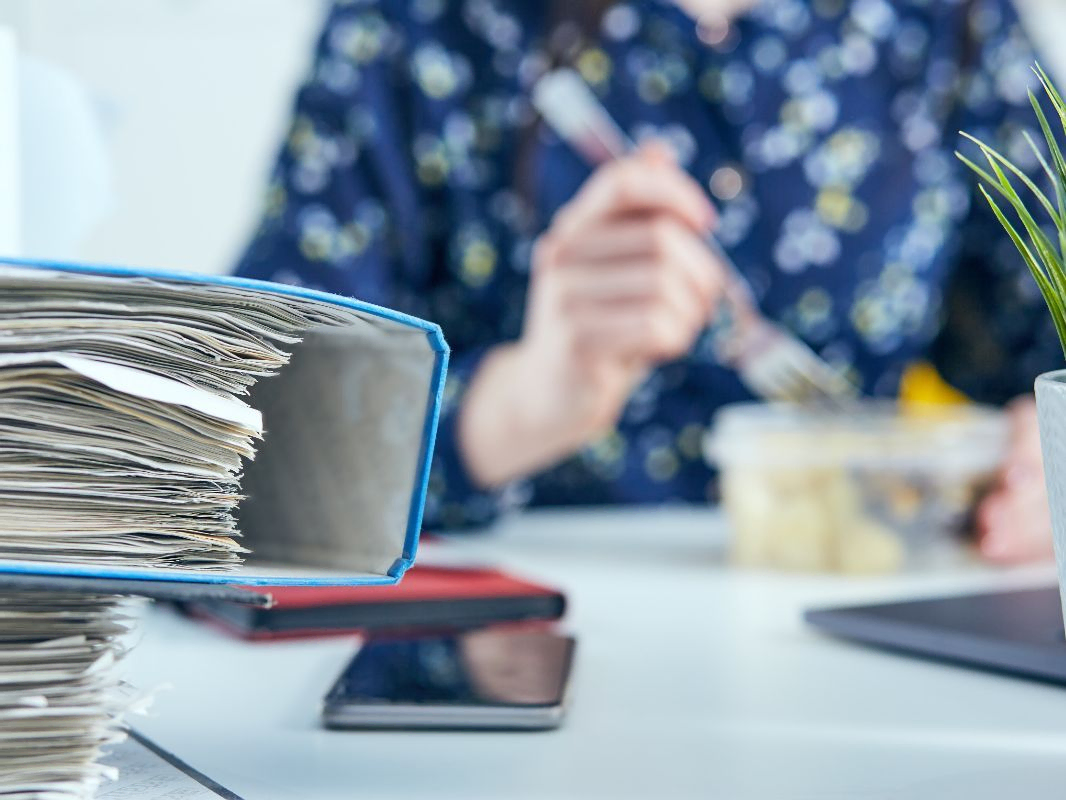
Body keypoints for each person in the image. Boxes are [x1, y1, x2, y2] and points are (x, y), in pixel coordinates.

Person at [236, 0, 1057, 562]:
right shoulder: (423, 25)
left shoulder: (951, 24)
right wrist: (521, 401)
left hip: (867, 642)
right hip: (495, 661)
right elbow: (233, 447)